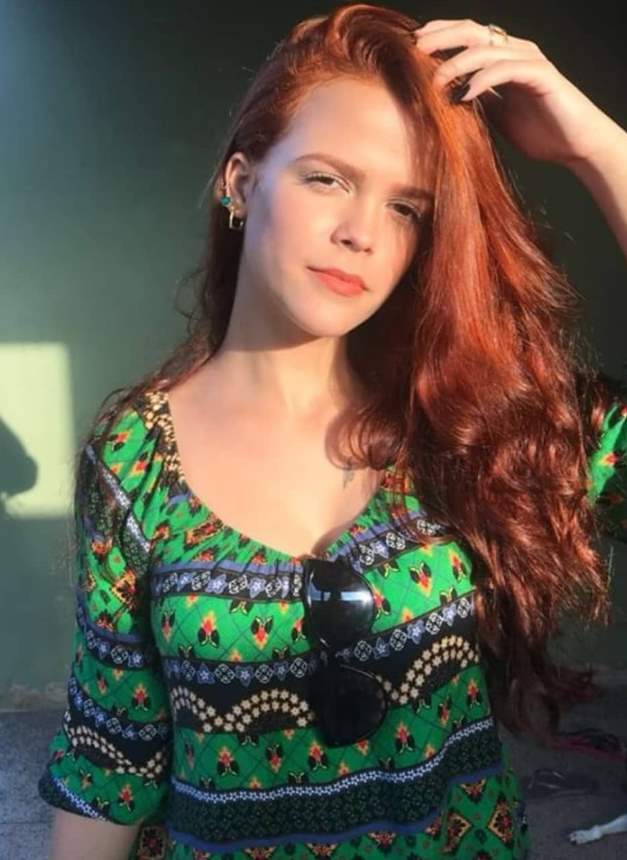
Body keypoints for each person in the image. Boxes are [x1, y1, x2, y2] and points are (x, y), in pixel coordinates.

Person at [37, 4, 627, 859]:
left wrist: (598, 148)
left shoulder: (467, 424)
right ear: (240, 182)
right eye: (327, 179)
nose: (362, 234)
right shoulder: (134, 459)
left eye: (406, 208)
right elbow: (110, 751)